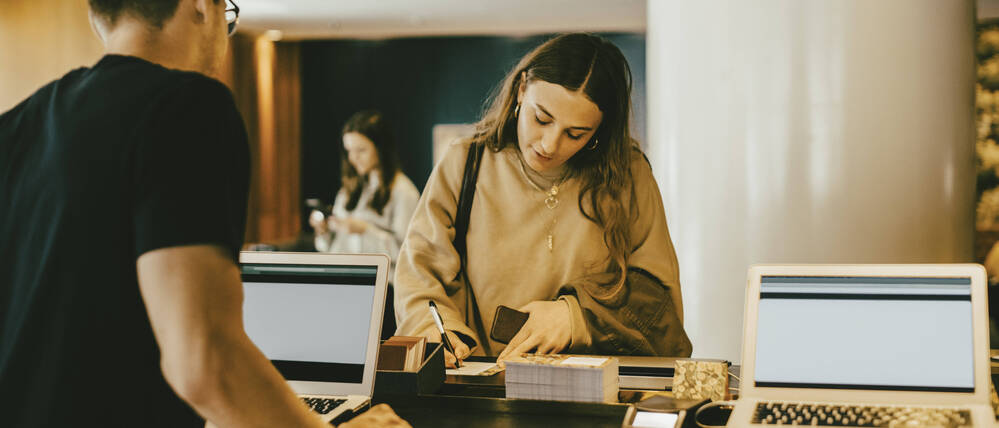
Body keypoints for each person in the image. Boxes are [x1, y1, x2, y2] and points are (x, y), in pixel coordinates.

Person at [0, 1, 408, 427]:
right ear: (201, 5)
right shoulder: (188, 105)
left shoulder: (14, 129)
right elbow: (206, 361)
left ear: (98, 15)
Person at [393, 33, 693, 367]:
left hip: (595, 393)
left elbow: (660, 304)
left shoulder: (628, 174)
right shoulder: (465, 163)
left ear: (600, 131)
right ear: (522, 89)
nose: (549, 145)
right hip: (483, 386)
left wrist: (575, 318)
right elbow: (419, 274)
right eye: (542, 118)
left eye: (576, 134)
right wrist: (437, 332)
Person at [309, 110, 420, 339]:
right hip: (346, 287)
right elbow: (332, 250)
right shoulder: (349, 191)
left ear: (381, 148)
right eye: (349, 151)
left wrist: (364, 230)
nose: (353, 158)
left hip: (382, 292)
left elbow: (409, 254)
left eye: (361, 150)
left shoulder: (402, 192)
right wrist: (324, 233)